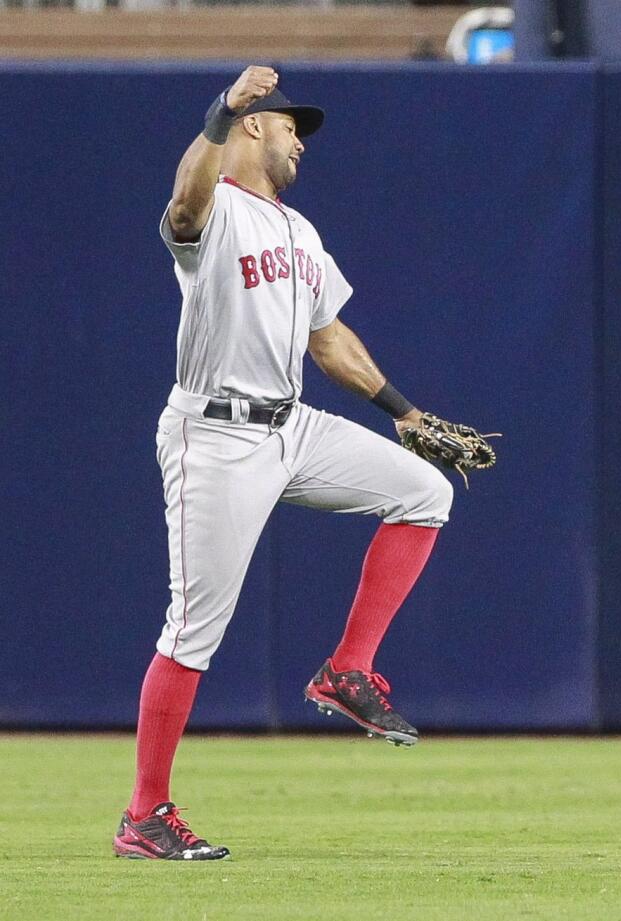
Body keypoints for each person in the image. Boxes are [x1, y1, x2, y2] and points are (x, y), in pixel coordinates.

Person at [113, 66, 459, 861]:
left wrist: (404, 412)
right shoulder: (217, 208)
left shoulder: (299, 232)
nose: (300, 136)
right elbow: (184, 199)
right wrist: (218, 110)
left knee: (424, 491)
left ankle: (348, 669)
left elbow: (330, 340)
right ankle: (144, 814)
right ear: (252, 129)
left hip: (290, 425)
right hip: (216, 433)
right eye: (287, 123)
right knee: (194, 630)